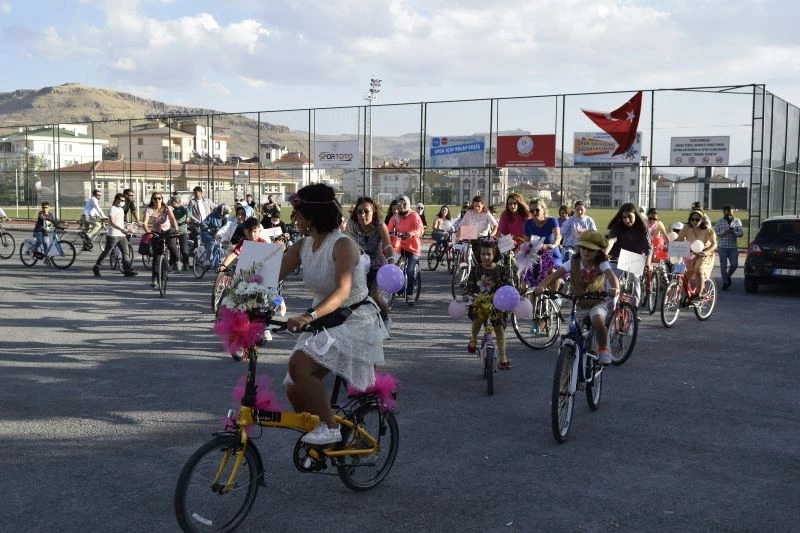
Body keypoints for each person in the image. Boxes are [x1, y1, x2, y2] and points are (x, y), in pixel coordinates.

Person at [278, 183, 387, 446]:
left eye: (298, 214)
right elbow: (269, 274)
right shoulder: (303, 245)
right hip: (325, 318)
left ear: (312, 217)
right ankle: (323, 437)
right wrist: (241, 294)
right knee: (293, 385)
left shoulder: (343, 245)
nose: (295, 219)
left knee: (299, 366)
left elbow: (342, 291)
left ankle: (330, 427)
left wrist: (308, 316)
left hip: (353, 319)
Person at [536, 230, 620, 365]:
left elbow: (611, 276)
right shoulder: (573, 262)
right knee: (572, 332)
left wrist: (615, 289)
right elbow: (555, 275)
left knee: (597, 320)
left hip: (597, 301)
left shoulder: (601, 263)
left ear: (598, 252)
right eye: (583, 248)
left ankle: (603, 348)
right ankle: (569, 356)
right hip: (579, 303)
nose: (586, 252)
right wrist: (542, 286)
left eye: (591, 250)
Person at [464, 239, 513, 369]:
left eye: (488, 254)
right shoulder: (475, 269)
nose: (485, 257)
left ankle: (503, 358)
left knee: (499, 329)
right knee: (478, 318)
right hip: (480, 302)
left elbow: (509, 286)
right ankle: (473, 338)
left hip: (498, 304)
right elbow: (469, 286)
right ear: (478, 254)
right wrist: (468, 295)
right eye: (482, 254)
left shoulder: (502, 270)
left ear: (494, 254)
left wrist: (511, 297)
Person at [344, 196, 394, 321]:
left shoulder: (380, 226)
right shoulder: (352, 226)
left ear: (374, 212)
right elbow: (344, 245)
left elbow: (388, 245)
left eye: (366, 211)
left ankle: (386, 320)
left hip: (378, 266)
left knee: (376, 296)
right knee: (355, 298)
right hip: (360, 266)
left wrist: (391, 262)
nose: (362, 215)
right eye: (359, 211)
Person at [605, 202, 652, 303]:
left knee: (635, 279)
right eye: (624, 217)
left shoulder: (643, 229)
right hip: (617, 259)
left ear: (636, 215)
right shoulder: (617, 227)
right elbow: (611, 241)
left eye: (630, 216)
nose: (627, 220)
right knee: (612, 282)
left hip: (635, 259)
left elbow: (648, 248)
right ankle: (610, 307)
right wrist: (605, 253)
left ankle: (634, 307)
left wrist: (648, 262)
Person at [386, 195, 425, 304]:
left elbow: (420, 228)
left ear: (408, 204)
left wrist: (412, 233)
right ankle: (395, 291)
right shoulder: (395, 216)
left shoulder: (414, 215)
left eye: (404, 204)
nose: (402, 205)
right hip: (399, 246)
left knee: (410, 270)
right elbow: (389, 228)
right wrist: (388, 234)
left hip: (413, 248)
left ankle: (409, 294)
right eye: (400, 203)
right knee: (396, 269)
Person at [92, 193, 137, 277]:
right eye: (122, 200)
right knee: (107, 252)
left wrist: (127, 227)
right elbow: (112, 222)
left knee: (125, 252)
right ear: (117, 200)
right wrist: (121, 229)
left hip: (122, 235)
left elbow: (120, 222)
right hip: (113, 235)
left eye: (124, 201)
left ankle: (127, 270)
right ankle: (96, 267)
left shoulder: (121, 209)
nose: (123, 202)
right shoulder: (112, 209)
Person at [676, 209, 717, 300]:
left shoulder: (708, 230)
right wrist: (668, 246)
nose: (694, 221)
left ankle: (699, 295)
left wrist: (706, 252)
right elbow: (679, 238)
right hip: (690, 253)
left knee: (699, 271)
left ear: (702, 220)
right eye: (692, 219)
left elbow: (714, 244)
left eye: (697, 219)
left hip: (704, 254)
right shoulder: (687, 227)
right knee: (682, 274)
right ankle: (674, 295)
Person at [143, 191, 180, 289]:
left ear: (162, 199)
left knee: (176, 254)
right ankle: (155, 278)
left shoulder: (167, 208)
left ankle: (168, 267)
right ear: (152, 200)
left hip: (168, 231)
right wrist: (148, 232)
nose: (157, 200)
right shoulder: (149, 210)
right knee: (157, 256)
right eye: (155, 198)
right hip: (156, 233)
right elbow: (145, 223)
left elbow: (172, 219)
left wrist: (176, 229)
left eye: (159, 198)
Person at [524, 199, 562, 286]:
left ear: (543, 210)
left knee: (552, 271)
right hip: (536, 256)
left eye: (537, 210)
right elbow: (526, 242)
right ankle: (529, 296)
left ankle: (554, 296)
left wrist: (554, 245)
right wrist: (527, 248)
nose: (534, 213)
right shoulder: (528, 224)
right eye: (531, 211)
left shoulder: (552, 221)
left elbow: (558, 237)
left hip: (552, 255)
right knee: (526, 273)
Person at [453, 195, 498, 260]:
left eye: (478, 206)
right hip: (470, 236)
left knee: (478, 256)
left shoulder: (486, 213)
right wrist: (459, 236)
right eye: (474, 206)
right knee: (465, 254)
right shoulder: (469, 212)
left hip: (482, 238)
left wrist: (491, 235)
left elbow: (495, 225)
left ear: (483, 205)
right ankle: (464, 265)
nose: (476, 208)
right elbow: (461, 225)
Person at [714, 205, 744, 291]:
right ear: (724, 213)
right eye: (727, 213)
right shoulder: (720, 222)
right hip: (722, 247)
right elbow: (716, 234)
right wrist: (725, 232)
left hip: (733, 247)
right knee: (723, 266)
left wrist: (733, 232)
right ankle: (725, 283)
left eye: (731, 213)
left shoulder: (737, 221)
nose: (729, 215)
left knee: (734, 265)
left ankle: (727, 277)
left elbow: (741, 233)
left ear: (733, 212)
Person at [170, 196, 191, 272]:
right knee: (172, 248)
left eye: (172, 201)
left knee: (184, 249)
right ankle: (172, 264)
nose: (171, 203)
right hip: (172, 229)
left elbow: (188, 213)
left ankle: (186, 264)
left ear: (176, 202)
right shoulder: (170, 209)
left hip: (182, 230)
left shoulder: (183, 208)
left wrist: (187, 219)